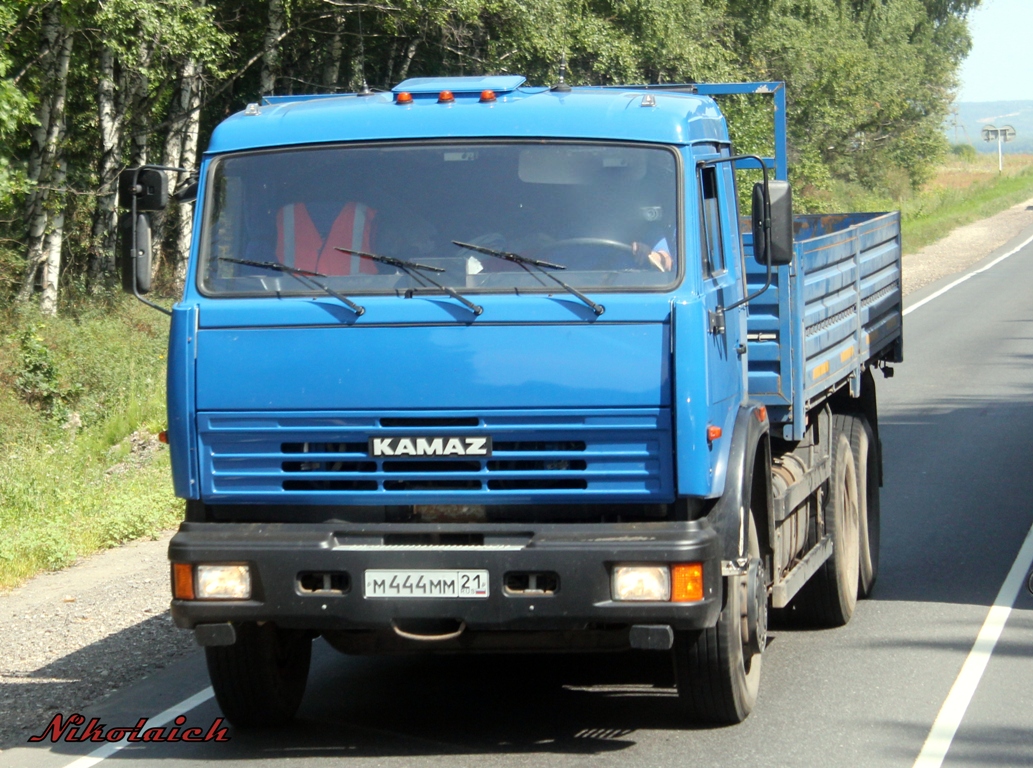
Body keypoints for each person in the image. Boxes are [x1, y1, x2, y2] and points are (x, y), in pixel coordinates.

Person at [276, 201, 379, 276]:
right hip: (287, 302)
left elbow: (390, 276)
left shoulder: (369, 217)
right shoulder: (282, 216)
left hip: (358, 302)